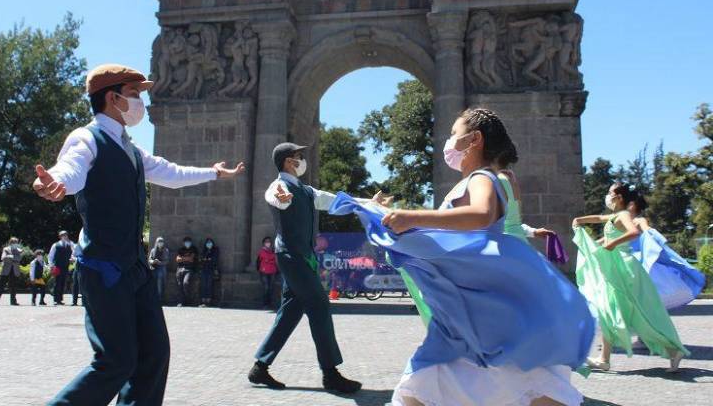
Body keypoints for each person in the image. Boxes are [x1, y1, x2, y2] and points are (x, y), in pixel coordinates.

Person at [331, 108, 594, 406]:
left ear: (474, 140)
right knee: (447, 377)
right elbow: (446, 230)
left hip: (476, 296)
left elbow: (481, 215)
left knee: (427, 382)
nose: (449, 142)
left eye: (454, 134)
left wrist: (412, 216)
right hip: (468, 299)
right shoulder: (473, 180)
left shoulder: (482, 177)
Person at [32, 63, 245, 405]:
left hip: (135, 269)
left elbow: (170, 173)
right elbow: (69, 169)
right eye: (134, 95)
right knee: (115, 362)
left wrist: (214, 173)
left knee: (154, 355)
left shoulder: (130, 149)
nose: (140, 103)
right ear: (113, 98)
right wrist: (56, 183)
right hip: (103, 269)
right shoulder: (87, 138)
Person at [248, 142, 385, 394]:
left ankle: (260, 366)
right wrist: (280, 198)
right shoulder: (280, 186)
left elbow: (337, 201)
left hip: (304, 258)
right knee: (320, 305)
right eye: (299, 157)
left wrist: (368, 202)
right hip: (291, 256)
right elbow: (273, 195)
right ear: (289, 162)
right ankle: (330, 373)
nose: (302, 160)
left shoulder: (307, 190)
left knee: (291, 311)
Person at [572, 182, 689, 373]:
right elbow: (600, 218)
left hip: (625, 270)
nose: (607, 196)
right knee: (609, 310)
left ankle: (673, 350)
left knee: (639, 313)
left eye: (610, 193)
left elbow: (634, 232)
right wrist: (580, 220)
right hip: (615, 269)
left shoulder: (624, 215)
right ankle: (604, 358)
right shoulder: (614, 216)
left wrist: (613, 243)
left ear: (618, 198)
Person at [0, 237, 22, 306]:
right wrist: (13, 257)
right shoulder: (5, 249)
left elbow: (19, 258)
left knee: (13, 287)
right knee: (0, 286)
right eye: (14, 243)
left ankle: (13, 301)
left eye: (16, 243)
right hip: (5, 270)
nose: (15, 244)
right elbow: (3, 258)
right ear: (10, 243)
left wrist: (10, 257)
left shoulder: (19, 250)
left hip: (14, 270)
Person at [49, 230, 75, 305]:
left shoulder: (70, 245)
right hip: (57, 266)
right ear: (60, 237)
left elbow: (73, 253)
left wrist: (72, 258)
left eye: (66, 235)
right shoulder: (55, 245)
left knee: (63, 282)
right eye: (63, 235)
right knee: (57, 282)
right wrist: (51, 265)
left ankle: (60, 299)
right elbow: (51, 255)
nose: (65, 237)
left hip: (65, 266)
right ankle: (55, 299)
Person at [176, 236, 199, 307]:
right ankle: (181, 302)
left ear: (191, 242)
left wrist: (182, 258)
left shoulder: (194, 249)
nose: (187, 243)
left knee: (185, 283)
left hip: (189, 269)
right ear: (183, 243)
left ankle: (188, 300)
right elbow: (177, 259)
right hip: (180, 269)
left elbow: (191, 259)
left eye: (188, 242)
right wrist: (186, 259)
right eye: (186, 242)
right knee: (180, 285)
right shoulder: (181, 249)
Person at [256, 236, 278, 308]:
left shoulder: (273, 251)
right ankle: (265, 304)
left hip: (272, 271)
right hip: (264, 271)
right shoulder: (261, 252)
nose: (268, 243)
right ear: (264, 243)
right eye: (266, 242)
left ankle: (270, 303)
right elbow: (258, 261)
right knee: (266, 287)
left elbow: (275, 261)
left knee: (271, 287)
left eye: (269, 242)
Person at [148, 237, 170, 302]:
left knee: (160, 279)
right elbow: (149, 259)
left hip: (161, 268)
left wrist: (160, 263)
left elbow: (167, 261)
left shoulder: (166, 250)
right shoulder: (153, 250)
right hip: (154, 267)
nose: (160, 243)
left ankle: (159, 299)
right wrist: (153, 261)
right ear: (156, 243)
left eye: (161, 242)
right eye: (159, 242)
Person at [199, 237, 219, 307]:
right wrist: (206, 259)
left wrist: (206, 259)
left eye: (210, 242)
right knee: (203, 285)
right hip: (204, 269)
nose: (209, 244)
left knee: (209, 285)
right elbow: (201, 259)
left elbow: (214, 260)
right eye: (207, 243)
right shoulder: (204, 250)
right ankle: (203, 300)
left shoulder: (215, 250)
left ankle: (208, 301)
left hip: (211, 270)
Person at [71, 241, 83, 306]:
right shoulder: (76, 246)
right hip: (77, 266)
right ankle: (74, 301)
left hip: (85, 267)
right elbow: (72, 256)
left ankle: (84, 301)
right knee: (75, 284)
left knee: (83, 284)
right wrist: (76, 259)